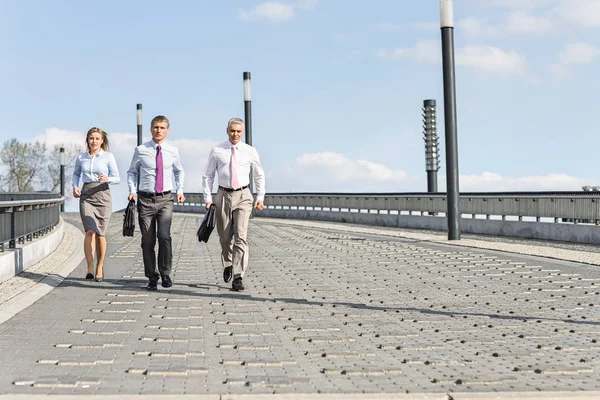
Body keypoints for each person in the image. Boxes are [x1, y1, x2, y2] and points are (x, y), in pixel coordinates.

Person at [201, 117, 265, 291]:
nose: (235, 134)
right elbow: (208, 176)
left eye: (238, 131)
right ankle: (228, 263)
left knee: (241, 236)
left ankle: (238, 276)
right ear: (227, 131)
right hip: (223, 195)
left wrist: (260, 196)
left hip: (244, 195)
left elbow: (259, 174)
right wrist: (208, 198)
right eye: (232, 131)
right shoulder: (217, 150)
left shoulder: (250, 151)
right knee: (224, 237)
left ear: (242, 132)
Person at [127, 115, 185, 291]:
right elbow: (132, 172)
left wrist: (180, 190)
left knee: (164, 236)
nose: (158, 130)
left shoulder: (172, 151)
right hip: (145, 200)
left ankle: (165, 274)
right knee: (148, 239)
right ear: (151, 129)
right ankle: (152, 277)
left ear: (167, 130)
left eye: (162, 128)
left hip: (166, 199)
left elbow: (179, 171)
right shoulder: (141, 150)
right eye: (155, 127)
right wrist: (132, 190)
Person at [72, 127, 121, 282]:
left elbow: (117, 177)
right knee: (89, 231)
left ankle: (99, 266)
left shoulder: (108, 157)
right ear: (87, 140)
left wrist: (108, 179)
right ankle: (89, 267)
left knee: (100, 234)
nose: (94, 141)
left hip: (103, 194)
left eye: (97, 138)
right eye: (91, 138)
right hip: (87, 194)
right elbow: (76, 174)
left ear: (102, 141)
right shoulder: (81, 158)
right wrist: (75, 186)